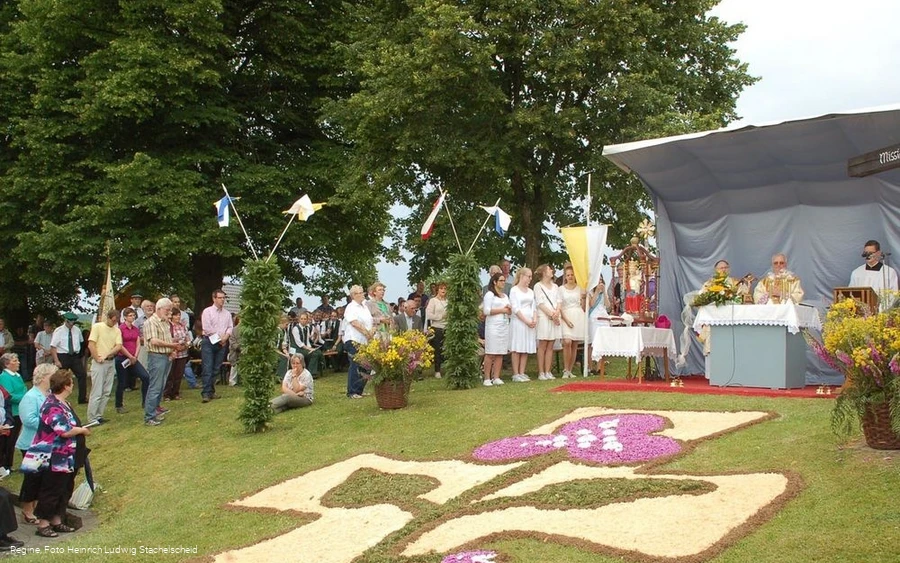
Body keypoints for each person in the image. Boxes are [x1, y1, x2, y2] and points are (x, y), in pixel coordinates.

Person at [21, 369, 91, 538]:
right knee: (51, 489)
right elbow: (63, 431)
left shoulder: (64, 403)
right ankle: (43, 524)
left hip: (69, 456)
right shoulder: (51, 405)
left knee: (65, 489)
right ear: (66, 386)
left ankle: (57, 520)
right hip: (55, 457)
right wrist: (81, 430)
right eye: (71, 383)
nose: (72, 385)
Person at [16, 363, 53, 526]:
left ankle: (37, 506)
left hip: (45, 443)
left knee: (42, 478)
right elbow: (28, 419)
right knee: (32, 478)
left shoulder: (48, 394)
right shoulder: (31, 396)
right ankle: (27, 509)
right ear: (45, 377)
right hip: (31, 443)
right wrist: (50, 423)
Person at [143, 298, 180, 426]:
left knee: (161, 385)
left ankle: (156, 410)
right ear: (159, 308)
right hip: (156, 356)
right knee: (155, 386)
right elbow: (154, 341)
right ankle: (149, 416)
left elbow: (167, 338)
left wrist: (171, 350)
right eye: (167, 309)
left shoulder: (165, 322)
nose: (169, 312)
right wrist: (172, 346)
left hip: (165, 356)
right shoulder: (151, 322)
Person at [86, 309, 123, 425]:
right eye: (113, 320)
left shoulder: (117, 330)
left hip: (110, 361)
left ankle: (99, 415)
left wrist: (108, 354)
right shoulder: (98, 327)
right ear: (108, 317)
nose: (114, 322)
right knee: (97, 391)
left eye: (116, 321)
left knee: (106, 391)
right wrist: (97, 357)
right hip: (99, 363)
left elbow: (119, 345)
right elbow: (91, 344)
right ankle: (92, 418)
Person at [114, 307, 150, 415]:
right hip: (122, 358)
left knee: (145, 376)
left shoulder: (135, 329)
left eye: (133, 315)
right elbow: (119, 345)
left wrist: (135, 356)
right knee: (122, 382)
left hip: (133, 357)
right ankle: (119, 405)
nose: (132, 317)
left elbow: (138, 342)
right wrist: (129, 356)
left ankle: (145, 401)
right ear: (125, 317)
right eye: (130, 315)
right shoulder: (120, 329)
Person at [200, 289, 233, 403]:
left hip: (222, 343)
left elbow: (230, 327)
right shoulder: (207, 312)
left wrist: (226, 337)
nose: (222, 300)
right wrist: (220, 339)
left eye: (223, 298)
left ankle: (211, 391)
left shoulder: (227, 313)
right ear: (214, 299)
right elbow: (207, 328)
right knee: (207, 367)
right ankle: (205, 392)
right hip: (209, 342)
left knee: (216, 368)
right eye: (220, 298)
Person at [49, 313, 88, 404]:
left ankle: (82, 398)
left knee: (82, 374)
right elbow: (53, 347)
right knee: (59, 378)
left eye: (73, 322)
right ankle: (57, 397)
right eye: (70, 322)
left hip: (74, 356)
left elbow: (81, 343)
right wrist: (56, 360)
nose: (72, 325)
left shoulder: (77, 330)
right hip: (63, 355)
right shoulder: (58, 331)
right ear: (66, 321)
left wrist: (80, 356)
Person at [849, 239, 899, 310]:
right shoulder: (857, 273)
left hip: (883, 313)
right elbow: (851, 294)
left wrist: (882, 311)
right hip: (861, 314)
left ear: (878, 253)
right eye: (866, 253)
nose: (868, 255)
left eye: (871, 253)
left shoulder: (889, 272)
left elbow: (893, 296)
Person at [344, 285, 374, 399]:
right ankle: (352, 391)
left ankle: (360, 390)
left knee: (367, 366)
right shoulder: (351, 307)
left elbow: (369, 321)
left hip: (365, 340)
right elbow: (354, 323)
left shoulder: (365, 307)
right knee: (356, 365)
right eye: (360, 293)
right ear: (353, 295)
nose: (363, 294)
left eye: (363, 292)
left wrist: (371, 332)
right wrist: (367, 333)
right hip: (354, 339)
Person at [481, 272, 510, 386]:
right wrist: (502, 310)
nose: (503, 283)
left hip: (503, 325)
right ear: (495, 282)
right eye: (501, 281)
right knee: (490, 352)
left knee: (500, 352)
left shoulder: (505, 296)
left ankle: (496, 376)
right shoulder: (490, 295)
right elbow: (486, 311)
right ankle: (487, 377)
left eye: (504, 281)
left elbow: (509, 311)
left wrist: (509, 309)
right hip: (493, 326)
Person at [534, 264, 561, 380]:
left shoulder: (555, 286)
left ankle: (548, 371)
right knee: (543, 344)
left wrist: (557, 313)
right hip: (544, 317)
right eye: (549, 269)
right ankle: (541, 372)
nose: (552, 271)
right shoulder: (538, 286)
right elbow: (540, 303)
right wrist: (551, 314)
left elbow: (559, 301)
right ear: (544, 272)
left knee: (551, 344)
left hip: (554, 317)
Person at [509, 267, 536, 382]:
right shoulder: (514, 290)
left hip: (529, 321)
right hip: (519, 321)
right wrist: (526, 320)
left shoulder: (531, 291)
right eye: (528, 276)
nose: (530, 279)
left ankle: (522, 372)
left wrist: (534, 319)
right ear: (522, 276)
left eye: (530, 277)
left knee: (525, 347)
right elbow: (515, 308)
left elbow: (534, 307)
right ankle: (515, 373)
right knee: (517, 347)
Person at [0, 354, 26, 474]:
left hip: (20, 410)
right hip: (12, 412)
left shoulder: (17, 376)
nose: (18, 362)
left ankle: (8, 464)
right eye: (15, 361)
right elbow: (8, 396)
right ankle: (5, 465)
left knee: (14, 438)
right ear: (7, 364)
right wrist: (25, 398)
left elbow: (24, 388)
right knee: (9, 439)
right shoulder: (4, 377)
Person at [559, 264, 586, 378]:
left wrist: (584, 298)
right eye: (568, 275)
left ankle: (570, 370)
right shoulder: (560, 289)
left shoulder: (580, 288)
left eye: (572, 275)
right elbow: (559, 306)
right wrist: (566, 320)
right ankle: (565, 369)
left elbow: (583, 307)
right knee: (567, 342)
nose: (570, 277)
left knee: (574, 344)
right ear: (565, 276)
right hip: (566, 315)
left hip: (578, 315)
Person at [164, 307, 191, 400]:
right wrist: (175, 345)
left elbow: (188, 339)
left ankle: (176, 393)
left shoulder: (182, 326)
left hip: (182, 353)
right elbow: (166, 339)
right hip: (172, 353)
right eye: (176, 315)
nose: (178, 317)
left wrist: (185, 345)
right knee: (170, 375)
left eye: (179, 315)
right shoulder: (168, 326)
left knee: (178, 375)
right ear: (171, 316)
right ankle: (167, 394)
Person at [587, 277, 611, 375]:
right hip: (594, 318)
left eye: (601, 280)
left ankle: (600, 367)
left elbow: (608, 305)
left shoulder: (603, 293)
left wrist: (604, 292)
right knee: (592, 343)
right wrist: (596, 291)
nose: (600, 282)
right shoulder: (590, 292)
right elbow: (591, 304)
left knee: (602, 343)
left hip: (603, 317)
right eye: (598, 280)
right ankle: (590, 367)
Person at [426, 282, 448, 379]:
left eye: (445, 289)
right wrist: (440, 316)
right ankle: (437, 370)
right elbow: (429, 315)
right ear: (437, 290)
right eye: (441, 288)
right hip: (437, 327)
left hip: (447, 327)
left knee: (447, 349)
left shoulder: (448, 301)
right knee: (438, 349)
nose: (443, 290)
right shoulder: (433, 301)